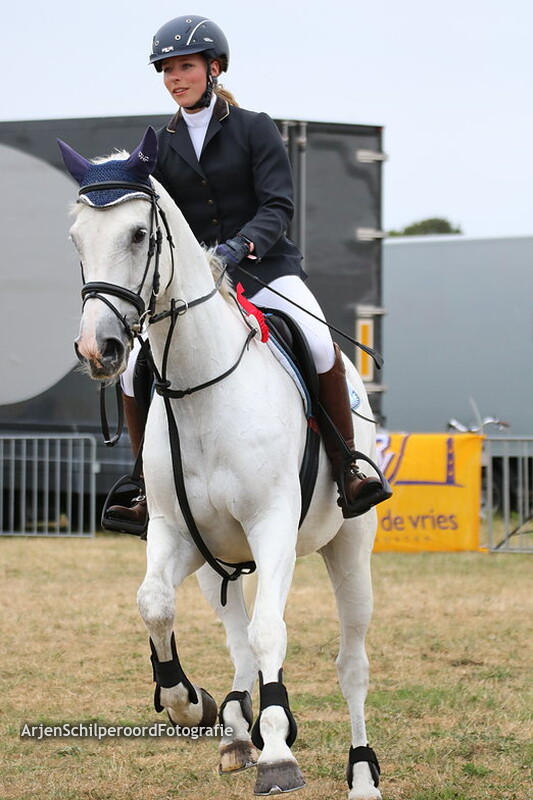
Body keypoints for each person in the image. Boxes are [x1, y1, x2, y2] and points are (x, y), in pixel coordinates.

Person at [107, 14, 390, 530]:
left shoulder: (254, 127)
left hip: (265, 268)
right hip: (198, 285)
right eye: (166, 70)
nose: (175, 78)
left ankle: (349, 464)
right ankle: (146, 485)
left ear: (213, 69)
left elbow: (279, 204)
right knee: (131, 369)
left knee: (320, 342)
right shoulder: (159, 143)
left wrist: (242, 245)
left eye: (185, 67)